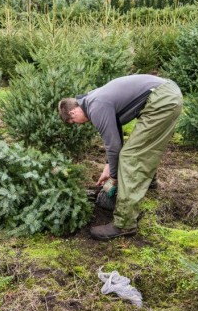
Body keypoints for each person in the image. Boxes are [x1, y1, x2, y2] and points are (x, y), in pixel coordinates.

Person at [58, 74, 183, 241]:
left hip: (162, 99)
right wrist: (108, 166)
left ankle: (124, 224)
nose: (78, 125)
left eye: (73, 121)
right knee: (140, 147)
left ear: (73, 111)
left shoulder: (95, 107)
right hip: (166, 93)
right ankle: (148, 182)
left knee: (131, 156)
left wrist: (115, 178)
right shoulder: (93, 99)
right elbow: (115, 137)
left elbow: (114, 147)